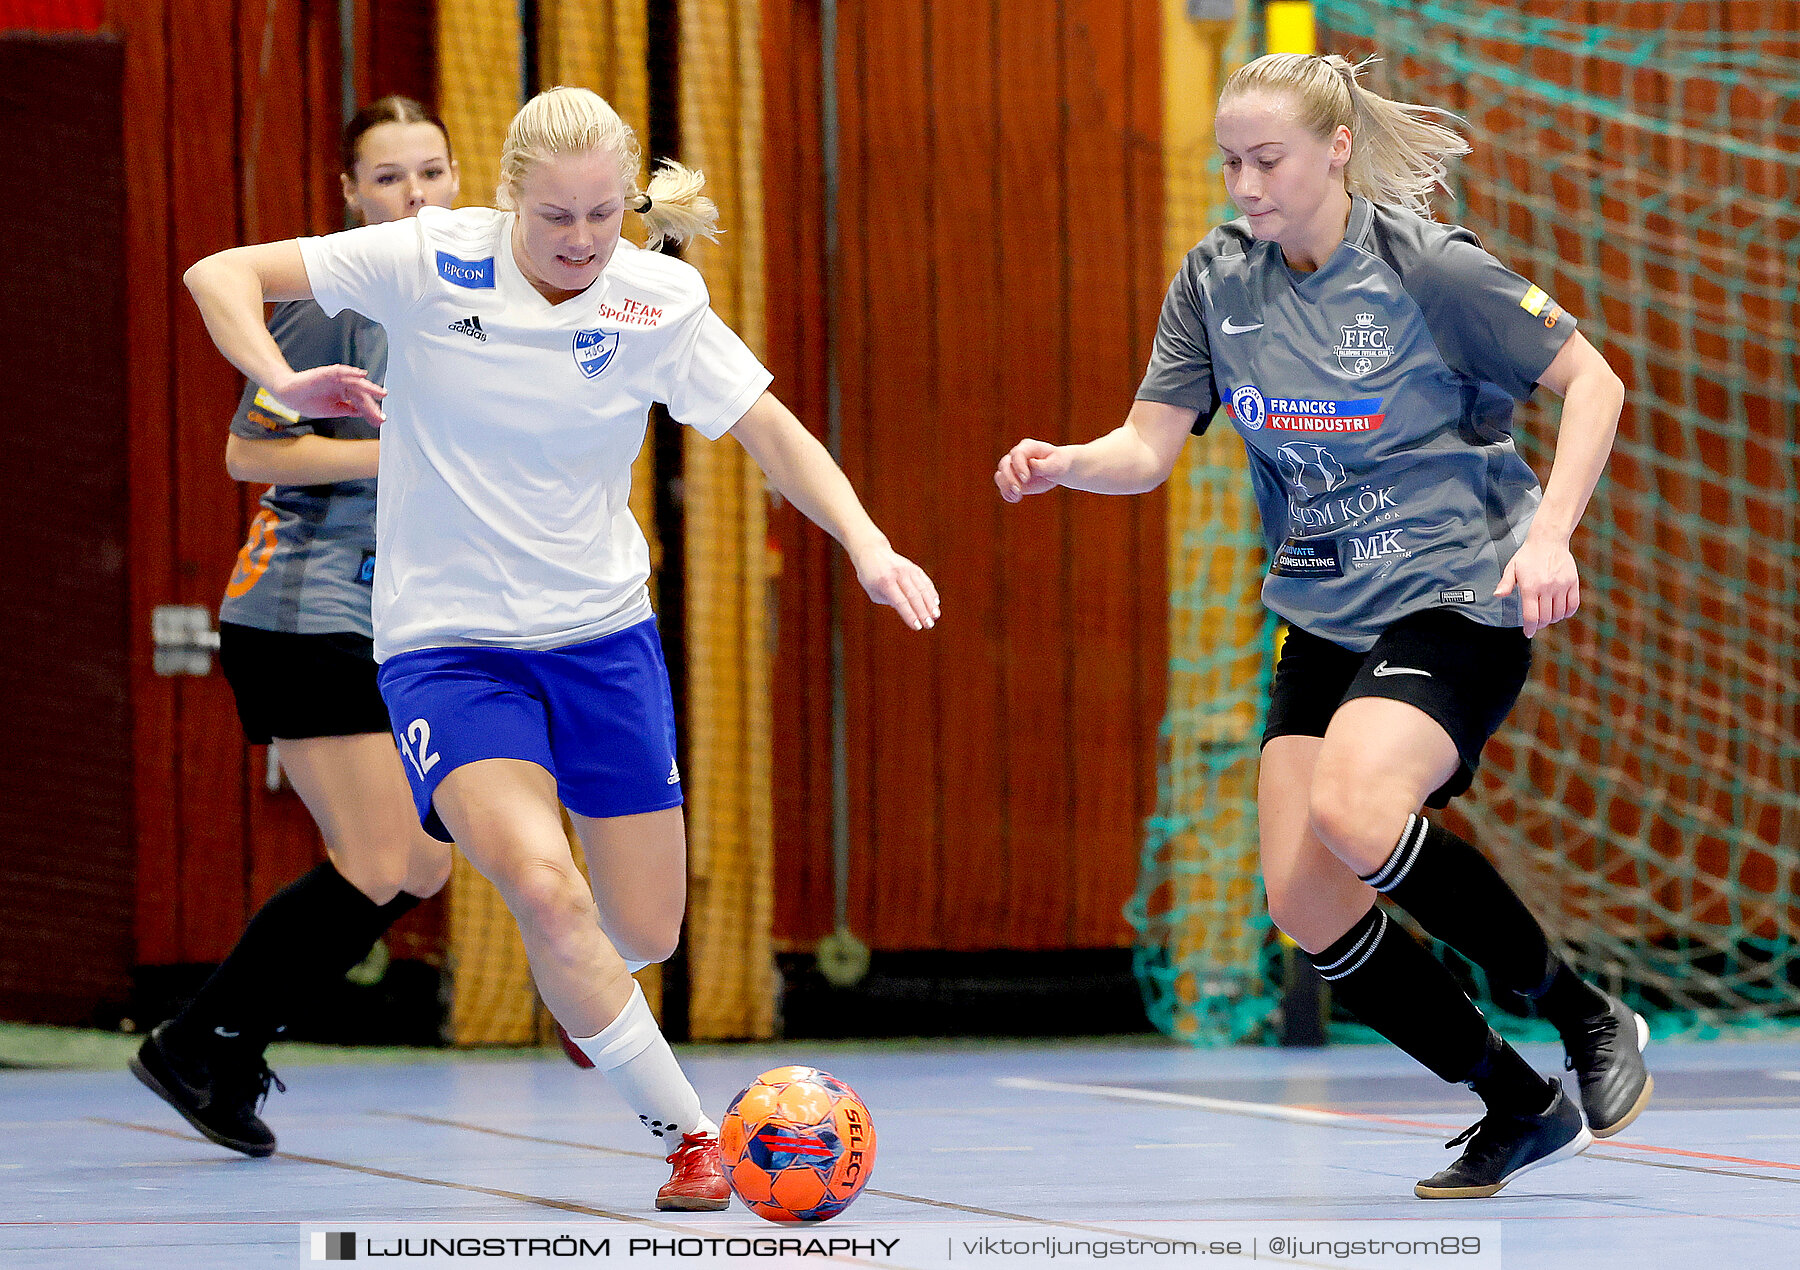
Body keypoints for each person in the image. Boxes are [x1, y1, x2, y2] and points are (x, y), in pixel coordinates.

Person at [180, 85, 939, 1210]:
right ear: (507, 201)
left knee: (645, 927)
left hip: (601, 639)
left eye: (600, 215)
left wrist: (869, 543)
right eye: (555, 219)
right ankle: (691, 1139)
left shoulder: (657, 298)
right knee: (542, 885)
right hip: (447, 646)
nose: (581, 241)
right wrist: (284, 381)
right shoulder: (432, 258)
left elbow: (772, 429)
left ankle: (599, 1003)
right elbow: (219, 273)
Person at [996, 52, 1648, 1200]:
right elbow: (1147, 447)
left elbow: (1595, 383)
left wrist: (1549, 536)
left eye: (1268, 159)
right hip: (1321, 607)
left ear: (1335, 149)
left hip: (1455, 592)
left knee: (1356, 808)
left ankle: (1585, 1014)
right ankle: (1514, 1101)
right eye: (1231, 161)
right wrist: (1066, 464)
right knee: (1305, 901)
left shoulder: (1425, 266)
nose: (1244, 183)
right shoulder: (1216, 280)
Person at [132, 97, 460, 1160]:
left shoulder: (458, 297)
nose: (416, 196)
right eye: (390, 177)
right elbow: (250, 454)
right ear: (351, 196)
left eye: (433, 172)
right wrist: (399, 455)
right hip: (302, 609)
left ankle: (220, 1046)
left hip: (386, 617)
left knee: (423, 866)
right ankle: (197, 1042)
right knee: (373, 856)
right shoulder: (332, 301)